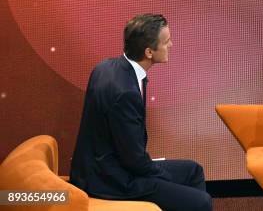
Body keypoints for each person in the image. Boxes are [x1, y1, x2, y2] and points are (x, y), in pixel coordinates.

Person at [70, 14, 212, 211]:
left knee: (193, 170)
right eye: (166, 41)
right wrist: (165, 177)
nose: (171, 44)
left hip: (105, 165)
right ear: (149, 52)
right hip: (112, 180)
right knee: (201, 201)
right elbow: (135, 161)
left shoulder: (105, 67)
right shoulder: (126, 93)